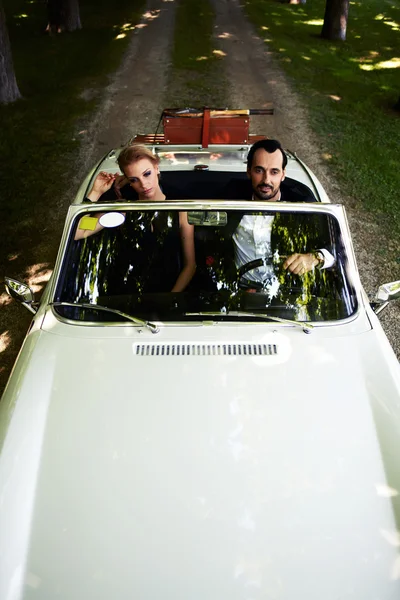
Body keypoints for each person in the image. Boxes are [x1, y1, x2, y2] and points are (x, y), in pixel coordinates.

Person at [75, 144, 196, 293]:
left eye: (147, 174)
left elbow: (190, 266)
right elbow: (79, 232)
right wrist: (95, 193)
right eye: (134, 180)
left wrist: (170, 300)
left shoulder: (181, 211)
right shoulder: (123, 210)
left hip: (169, 299)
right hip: (126, 298)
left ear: (156, 168)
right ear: (128, 181)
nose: (143, 184)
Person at [222, 139, 334, 289]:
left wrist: (314, 258)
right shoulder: (231, 196)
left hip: (287, 292)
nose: (266, 180)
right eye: (259, 170)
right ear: (248, 171)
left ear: (283, 174)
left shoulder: (302, 207)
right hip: (236, 289)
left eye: (274, 172)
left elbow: (337, 249)